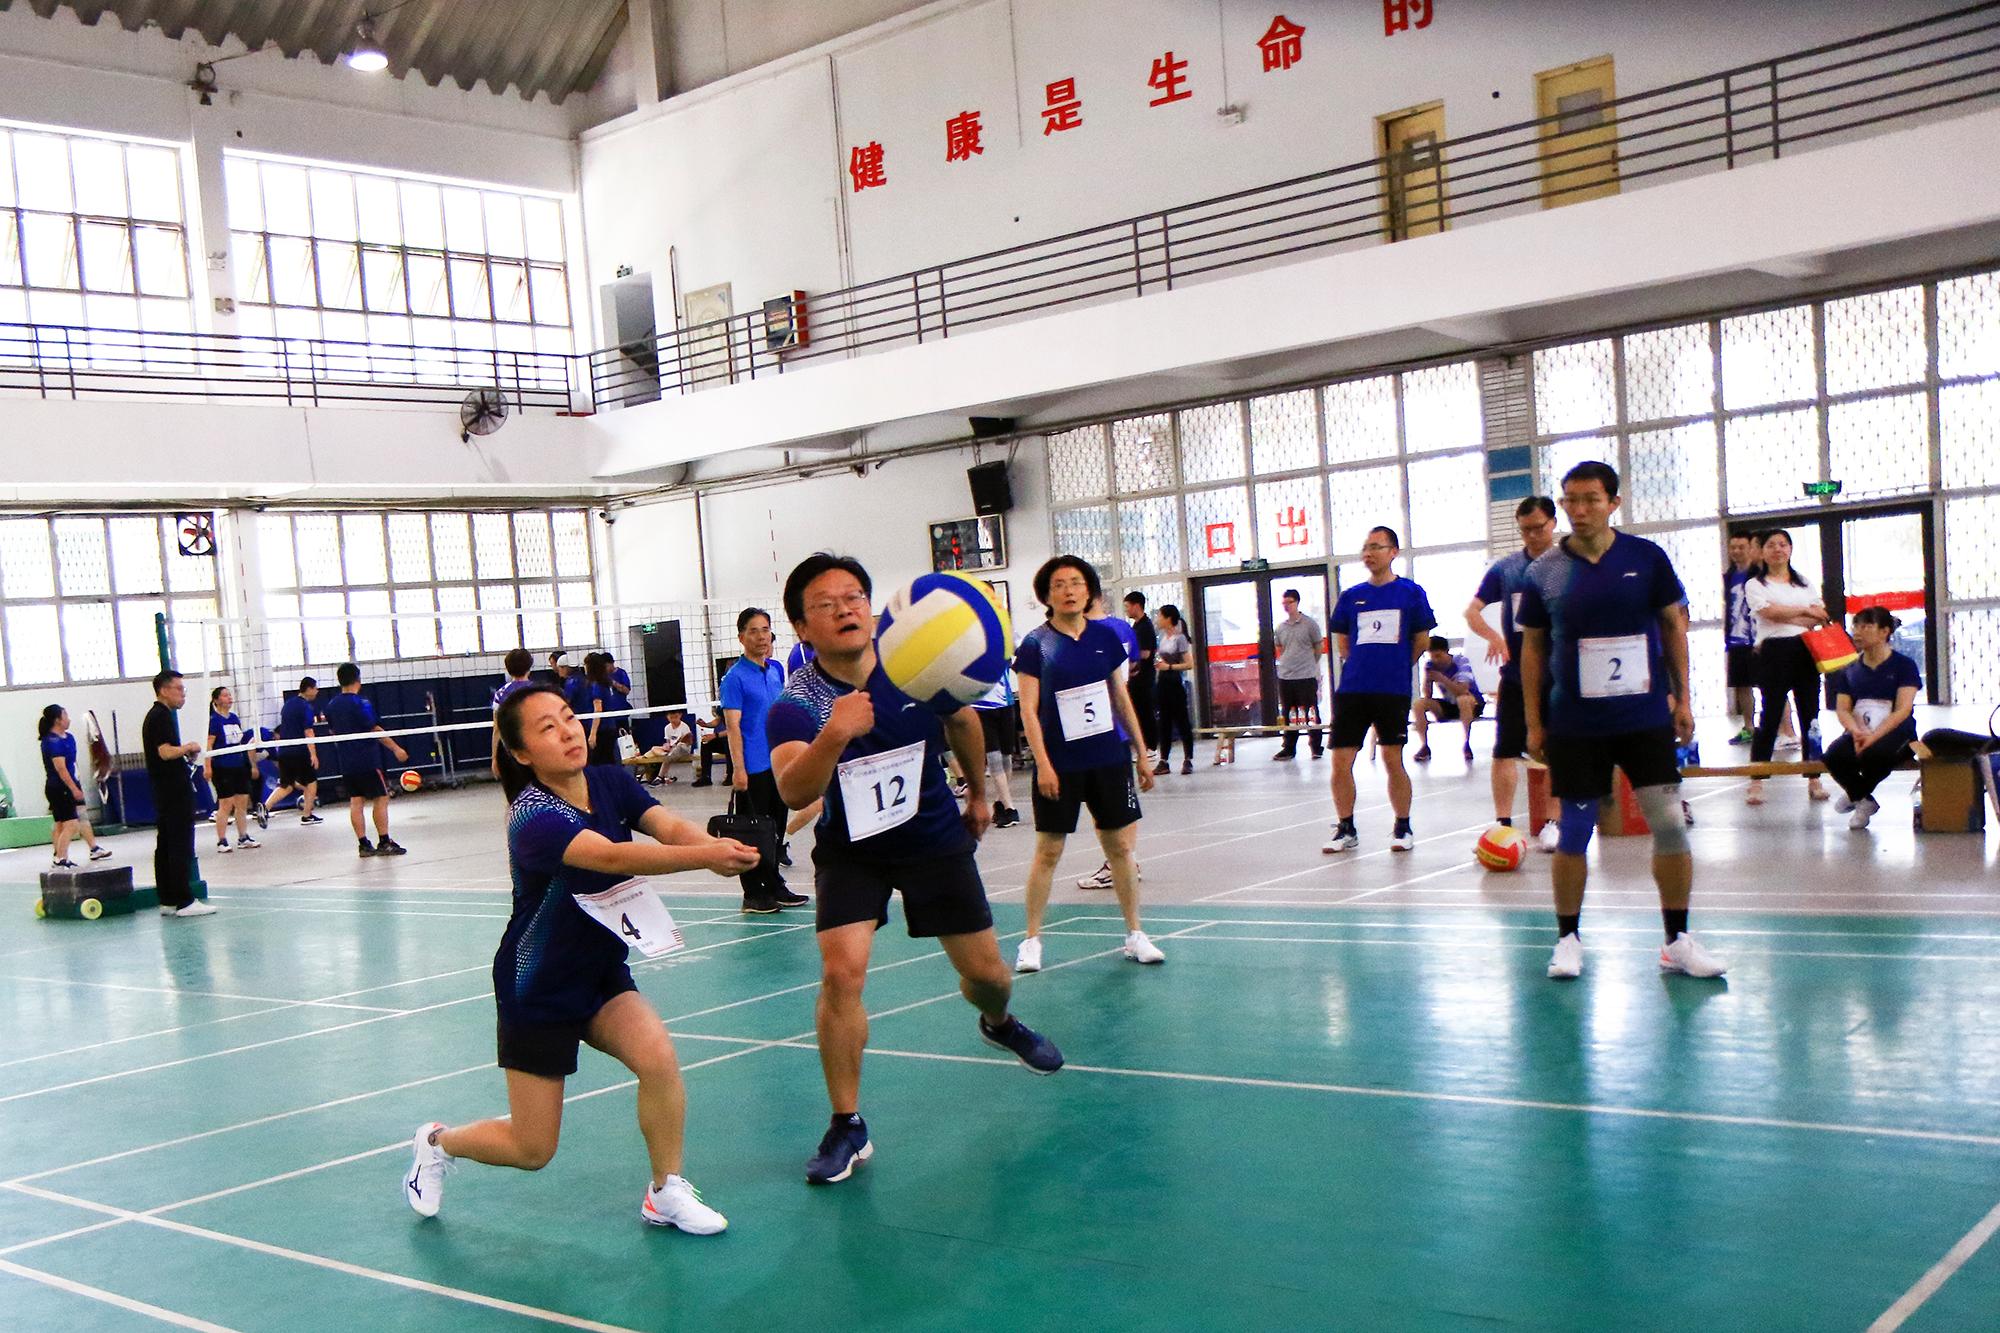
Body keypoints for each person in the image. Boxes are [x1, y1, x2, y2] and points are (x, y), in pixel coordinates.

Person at [403, 684, 760, 1233]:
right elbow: (613, 856)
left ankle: (665, 1191)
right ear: (522, 753)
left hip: (601, 971)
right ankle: (436, 1142)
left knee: (659, 1060)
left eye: (568, 718)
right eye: (547, 727)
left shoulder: (612, 781)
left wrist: (715, 846)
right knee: (532, 1147)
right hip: (537, 984)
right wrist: (702, 858)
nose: (568, 731)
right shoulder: (532, 816)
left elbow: (666, 827)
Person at [767, 552, 1064, 1185]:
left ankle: (998, 1021)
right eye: (826, 604)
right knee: (840, 974)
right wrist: (834, 735)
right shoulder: (796, 704)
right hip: (853, 849)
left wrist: (979, 794)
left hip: (932, 836)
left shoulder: (917, 668)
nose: (845, 609)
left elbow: (962, 720)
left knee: (990, 977)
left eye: (854, 597)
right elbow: (794, 792)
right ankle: (846, 1123)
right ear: (801, 627)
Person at [1519, 460, 1725, 982]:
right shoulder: (1545, 570)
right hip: (1575, 723)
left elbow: (1673, 627)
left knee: (1670, 825)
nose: (1579, 509)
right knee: (1574, 832)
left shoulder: (1646, 558)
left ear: (1614, 502)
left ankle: (1677, 940)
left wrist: (1683, 698)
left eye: (1590, 499)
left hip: (1643, 717)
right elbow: (1533, 650)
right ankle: (1567, 939)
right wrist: (1533, 721)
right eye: (1570, 500)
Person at [1013, 555, 1164, 972]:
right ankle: (1031, 941)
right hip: (1060, 762)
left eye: (1075, 583)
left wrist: (1141, 753)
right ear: (1047, 594)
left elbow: (1120, 697)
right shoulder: (1035, 644)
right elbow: (1028, 710)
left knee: (1120, 847)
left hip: (1107, 759)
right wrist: (1042, 763)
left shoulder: (1106, 637)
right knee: (1049, 850)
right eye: (1059, 584)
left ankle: (1135, 933)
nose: (1068, 591)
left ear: (1089, 591)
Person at [1324, 527, 1435, 854]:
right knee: (1341, 760)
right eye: (1365, 547)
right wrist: (1361, 664)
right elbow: (1343, 641)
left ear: (1393, 552)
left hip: (1392, 689)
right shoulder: (1351, 596)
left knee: (1391, 756)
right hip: (1353, 689)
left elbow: (1422, 640)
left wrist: (1397, 666)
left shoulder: (1410, 593)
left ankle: (1402, 825)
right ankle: (1345, 827)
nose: (1368, 553)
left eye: (1376, 546)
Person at [1467, 496, 1563, 850]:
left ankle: (1554, 821)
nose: (1533, 535)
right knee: (1504, 749)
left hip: (1558, 676)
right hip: (1516, 676)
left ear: (1553, 523)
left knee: (1554, 748)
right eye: (1525, 530)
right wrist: (1494, 637)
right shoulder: (1506, 569)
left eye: (1538, 528)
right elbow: (1473, 610)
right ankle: (1502, 823)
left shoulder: (1567, 565)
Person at [721, 608, 808, 913]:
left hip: (779, 764)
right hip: (753, 766)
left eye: (765, 629)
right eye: (754, 630)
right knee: (753, 832)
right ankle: (754, 894)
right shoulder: (734, 678)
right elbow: (733, 728)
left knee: (776, 830)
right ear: (741, 636)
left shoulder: (775, 670)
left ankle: (774, 885)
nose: (761, 636)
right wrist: (739, 769)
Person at [1744, 528, 1832, 806]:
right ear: (1763, 551)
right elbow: (1768, 614)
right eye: (1771, 545)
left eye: (1783, 544)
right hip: (1774, 651)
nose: (1778, 549)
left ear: (1790, 550)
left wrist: (1793, 614)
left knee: (1810, 715)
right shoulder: (1755, 585)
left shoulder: (1804, 582)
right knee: (1769, 715)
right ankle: (1757, 779)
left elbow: (1820, 616)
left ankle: (1814, 777)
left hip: (1805, 650)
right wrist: (1804, 611)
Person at [1824, 607, 1922, 831]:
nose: (1858, 632)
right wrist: (1856, 732)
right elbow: (1843, 709)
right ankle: (1863, 799)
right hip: (1860, 731)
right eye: (1855, 626)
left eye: (1866, 626)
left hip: (1896, 732)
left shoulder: (1904, 666)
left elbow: (1903, 710)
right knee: (1834, 756)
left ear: (1884, 632)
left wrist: (1874, 736)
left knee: (1877, 754)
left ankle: (1855, 793)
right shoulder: (1849, 670)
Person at [141, 670, 214, 918]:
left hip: (164, 789)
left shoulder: (159, 716)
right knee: (180, 843)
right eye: (179, 688)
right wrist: (188, 747)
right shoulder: (160, 716)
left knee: (166, 844)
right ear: (164, 690)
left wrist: (182, 753)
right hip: (172, 790)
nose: (183, 693)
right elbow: (164, 752)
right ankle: (184, 900)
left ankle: (169, 899)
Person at [324, 662, 412, 858]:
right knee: (381, 798)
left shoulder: (331, 706)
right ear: (358, 680)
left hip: (346, 762)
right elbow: (375, 730)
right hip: (367, 760)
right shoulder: (361, 703)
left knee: (356, 801)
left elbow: (333, 732)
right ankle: (384, 841)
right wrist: (396, 748)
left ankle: (363, 844)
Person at [39, 706, 110, 869]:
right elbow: (61, 768)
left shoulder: (68, 738)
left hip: (69, 783)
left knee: (63, 823)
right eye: (65, 715)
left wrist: (76, 784)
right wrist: (73, 788)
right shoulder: (53, 741)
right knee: (71, 824)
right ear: (58, 720)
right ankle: (60, 858)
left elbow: (71, 765)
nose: (68, 719)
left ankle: (88, 849)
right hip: (60, 786)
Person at [204, 686, 261, 854]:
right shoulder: (214, 720)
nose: (229, 697)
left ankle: (243, 837)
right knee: (226, 804)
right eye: (225, 695)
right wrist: (207, 766)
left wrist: (250, 764)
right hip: (222, 767)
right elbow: (209, 745)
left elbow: (241, 743)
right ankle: (221, 840)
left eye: (230, 694)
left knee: (242, 802)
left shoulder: (234, 718)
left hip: (238, 766)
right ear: (216, 700)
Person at [1412, 637, 1485, 764]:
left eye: (1438, 656)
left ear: (1447, 652)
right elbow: (1427, 694)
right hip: (1450, 704)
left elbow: (1462, 690)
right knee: (1419, 703)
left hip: (1471, 702)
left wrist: (1442, 679)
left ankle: (1467, 743)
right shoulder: (1431, 665)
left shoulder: (1461, 662)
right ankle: (1424, 745)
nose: (1436, 660)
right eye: (1432, 656)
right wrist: (1427, 680)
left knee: (1463, 700)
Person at [1272, 589, 1326, 760]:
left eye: (1289, 602)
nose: (1287, 606)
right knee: (1289, 713)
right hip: (1286, 676)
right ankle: (1289, 747)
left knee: (1310, 711)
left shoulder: (1310, 624)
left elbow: (1318, 647)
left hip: (1306, 675)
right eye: (1284, 603)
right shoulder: (1281, 627)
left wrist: (1309, 663)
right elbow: (1280, 649)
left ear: (1297, 602)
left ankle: (1316, 746)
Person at [265, 676, 324, 825]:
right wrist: (313, 754)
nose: (317, 691)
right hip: (299, 750)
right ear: (309, 689)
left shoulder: (288, 704)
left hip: (284, 751)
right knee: (311, 782)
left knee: (287, 785)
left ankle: (265, 808)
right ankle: (307, 815)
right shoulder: (306, 707)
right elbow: (308, 731)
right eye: (315, 688)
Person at [972, 665, 1023, 828]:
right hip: (981, 705)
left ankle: (999, 802)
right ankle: (1010, 808)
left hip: (1005, 702)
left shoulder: (1001, 643)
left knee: (1007, 757)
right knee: (994, 757)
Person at [1724, 532, 1759, 746]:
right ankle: (1749, 727)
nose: (1737, 551)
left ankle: (1780, 729)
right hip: (1736, 640)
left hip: (1756, 638)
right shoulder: (1729, 576)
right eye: (1733, 547)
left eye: (1741, 547)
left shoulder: (1758, 575)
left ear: (1750, 549)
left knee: (1767, 683)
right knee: (1741, 686)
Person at [1153, 604, 1197, 774]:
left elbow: (1189, 664)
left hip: (1175, 682)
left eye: (1160, 616)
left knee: (1182, 721)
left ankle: (1188, 759)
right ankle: (1164, 760)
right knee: (1164, 722)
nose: (1158, 619)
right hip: (1162, 682)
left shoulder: (1180, 639)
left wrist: (1169, 667)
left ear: (1168, 618)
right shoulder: (1162, 637)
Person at [1122, 591, 1160, 761]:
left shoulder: (1145, 627)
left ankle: (1151, 746)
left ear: (1137, 605)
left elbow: (1145, 653)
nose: (1126, 610)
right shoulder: (1135, 627)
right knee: (1137, 711)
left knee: (1145, 712)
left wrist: (1132, 663)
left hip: (1144, 678)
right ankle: (1142, 746)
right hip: (1135, 678)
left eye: (1128, 606)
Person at [690, 704, 733, 788]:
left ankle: (730, 775)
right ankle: (706, 777)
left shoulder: (736, 704)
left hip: (739, 740)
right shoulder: (722, 704)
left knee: (728, 742)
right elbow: (717, 720)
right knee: (706, 742)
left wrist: (715, 735)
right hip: (725, 739)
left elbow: (734, 728)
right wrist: (705, 724)